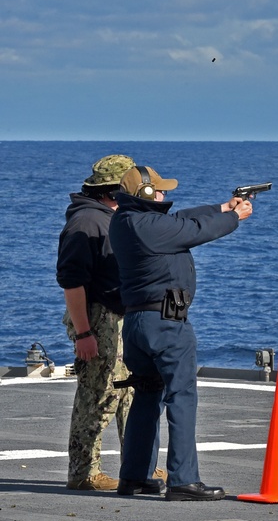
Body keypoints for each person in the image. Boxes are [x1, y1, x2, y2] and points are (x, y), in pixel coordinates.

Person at [109, 165, 252, 501]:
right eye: (158, 190)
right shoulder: (147, 226)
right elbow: (193, 230)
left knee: (147, 395)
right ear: (144, 193)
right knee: (181, 397)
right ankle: (183, 480)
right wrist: (234, 218)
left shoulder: (127, 221)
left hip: (138, 323)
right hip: (166, 323)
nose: (164, 195)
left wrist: (222, 207)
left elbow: (183, 219)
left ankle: (134, 476)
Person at [57, 154, 167, 491]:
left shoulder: (109, 218)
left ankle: (138, 464)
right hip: (99, 317)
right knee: (98, 394)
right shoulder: (87, 223)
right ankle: (84, 473)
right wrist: (84, 332)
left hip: (122, 316)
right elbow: (72, 282)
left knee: (129, 393)